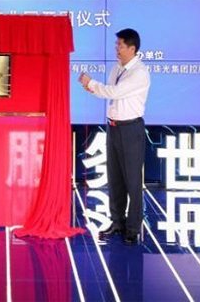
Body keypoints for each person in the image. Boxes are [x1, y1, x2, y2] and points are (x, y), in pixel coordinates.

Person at [78, 28, 150, 245]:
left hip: (131, 129)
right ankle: (117, 222)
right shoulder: (116, 68)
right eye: (116, 44)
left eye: (120, 45)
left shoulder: (139, 72)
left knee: (132, 181)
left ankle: (133, 228)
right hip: (114, 127)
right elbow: (110, 91)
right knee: (115, 178)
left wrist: (92, 83)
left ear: (132, 48)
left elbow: (115, 92)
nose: (117, 48)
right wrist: (93, 89)